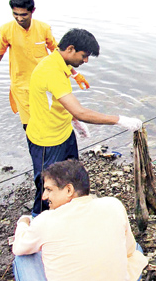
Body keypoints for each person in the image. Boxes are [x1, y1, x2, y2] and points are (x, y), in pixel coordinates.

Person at [12, 159, 153, 281]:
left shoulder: (45, 221)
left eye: (50, 190)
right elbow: (130, 251)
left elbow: (19, 247)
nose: (44, 196)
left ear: (69, 190)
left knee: (21, 257)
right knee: (135, 249)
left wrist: (23, 222)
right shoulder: (113, 206)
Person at [25, 28, 142, 216]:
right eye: (84, 56)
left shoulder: (59, 64)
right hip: (47, 140)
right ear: (70, 49)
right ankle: (38, 221)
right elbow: (80, 111)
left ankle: (68, 211)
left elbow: (56, 101)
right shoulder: (51, 71)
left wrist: (72, 121)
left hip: (63, 133)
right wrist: (119, 120)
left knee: (71, 176)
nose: (85, 61)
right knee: (48, 186)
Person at [0, 0, 91, 130]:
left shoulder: (43, 28)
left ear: (32, 11)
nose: (19, 18)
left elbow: (58, 53)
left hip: (45, 82)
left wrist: (73, 73)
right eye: (15, 14)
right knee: (30, 126)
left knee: (53, 118)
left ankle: (70, 132)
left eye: (24, 15)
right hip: (21, 85)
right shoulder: (6, 30)